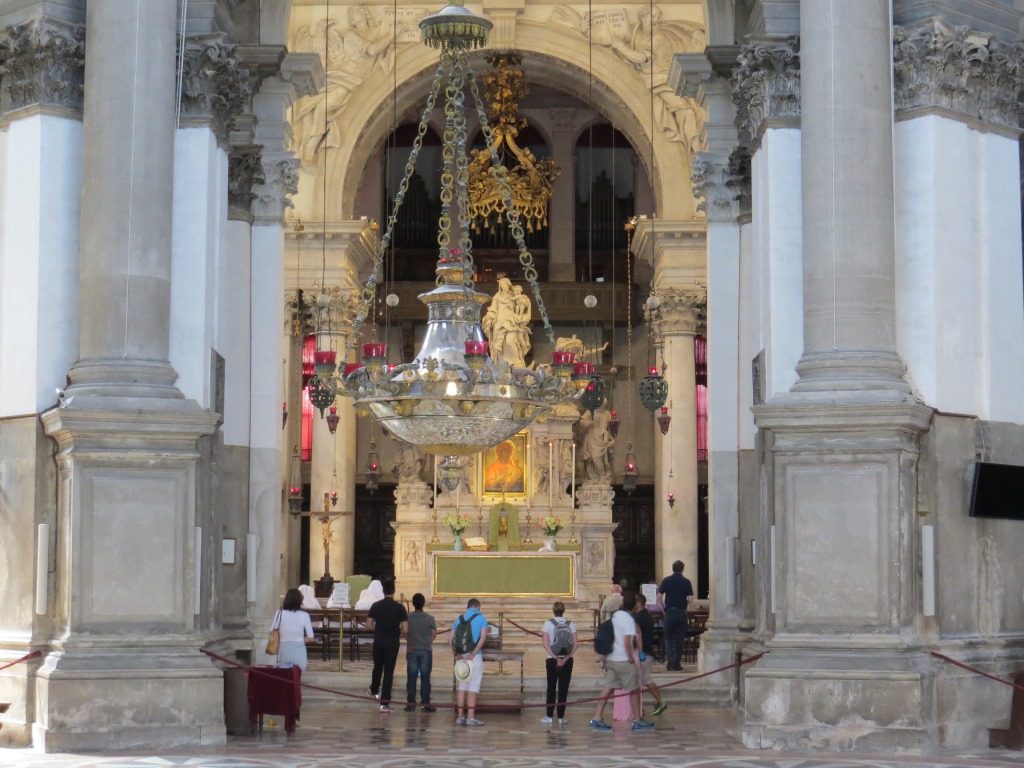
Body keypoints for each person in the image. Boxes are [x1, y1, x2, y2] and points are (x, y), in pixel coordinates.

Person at [589, 592, 654, 731]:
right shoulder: (629, 620)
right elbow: (626, 641)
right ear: (634, 606)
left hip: (612, 658)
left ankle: (597, 717)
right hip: (623, 660)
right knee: (634, 690)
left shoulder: (616, 615)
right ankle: (637, 720)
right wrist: (630, 657)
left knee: (608, 689)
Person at [365, 579, 408, 712]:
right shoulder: (400, 608)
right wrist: (397, 630)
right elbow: (406, 629)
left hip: (379, 641)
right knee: (389, 672)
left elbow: (368, 625)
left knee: (377, 667)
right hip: (392, 643)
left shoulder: (376, 606)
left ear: (383, 591)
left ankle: (373, 689)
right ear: (394, 591)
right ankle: (384, 703)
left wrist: (379, 628)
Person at [451, 597, 489, 726]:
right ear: (478, 607)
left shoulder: (459, 619)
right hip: (474, 656)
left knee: (462, 686)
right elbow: (483, 638)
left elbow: (450, 638)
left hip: (461, 657)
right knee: (473, 687)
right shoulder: (481, 618)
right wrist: (473, 653)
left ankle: (460, 717)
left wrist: (457, 653)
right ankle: (471, 718)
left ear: (467, 607)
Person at [540, 601, 578, 725]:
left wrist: (556, 658)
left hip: (552, 659)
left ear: (553, 610)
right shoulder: (570, 624)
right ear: (563, 611)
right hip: (567, 659)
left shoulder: (548, 624)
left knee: (551, 687)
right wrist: (565, 659)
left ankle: (549, 716)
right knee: (563, 688)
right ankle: (561, 717)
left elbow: (545, 644)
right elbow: (575, 644)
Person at [632, 594, 668, 716]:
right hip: (647, 651)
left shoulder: (639, 618)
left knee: (643, 679)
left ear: (639, 603)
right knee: (643, 679)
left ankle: (658, 701)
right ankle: (654, 703)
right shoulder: (645, 615)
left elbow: (637, 636)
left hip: (644, 652)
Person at [658, 559, 695, 671]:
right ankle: (676, 663)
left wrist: (663, 610)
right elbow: (690, 599)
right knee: (680, 638)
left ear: (672, 569)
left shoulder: (666, 580)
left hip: (669, 612)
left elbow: (659, 597)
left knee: (668, 637)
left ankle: (670, 659)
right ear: (683, 569)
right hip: (681, 612)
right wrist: (684, 601)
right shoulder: (686, 581)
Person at [404, 593, 437, 712]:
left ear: (413, 603)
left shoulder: (408, 617)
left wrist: (411, 641)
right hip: (425, 649)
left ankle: (411, 703)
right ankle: (425, 703)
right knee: (425, 677)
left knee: (411, 677)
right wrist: (427, 642)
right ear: (423, 604)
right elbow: (433, 634)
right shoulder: (430, 618)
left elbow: (405, 632)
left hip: (412, 648)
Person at [274, 588, 315, 672]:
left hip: (283, 649)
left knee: (284, 674)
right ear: (300, 601)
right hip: (299, 650)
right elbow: (310, 637)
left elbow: (272, 630)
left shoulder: (279, 613)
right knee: (297, 674)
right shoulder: (304, 615)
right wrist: (299, 640)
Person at [579, 402, 615, 482]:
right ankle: (595, 477)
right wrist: (590, 422)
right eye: (601, 405)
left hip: (602, 439)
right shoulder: (590, 411)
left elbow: (612, 428)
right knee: (593, 459)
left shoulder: (607, 413)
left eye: (604, 406)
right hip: (591, 438)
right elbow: (582, 423)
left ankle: (602, 476)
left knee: (598, 459)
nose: (602, 407)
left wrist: (612, 439)